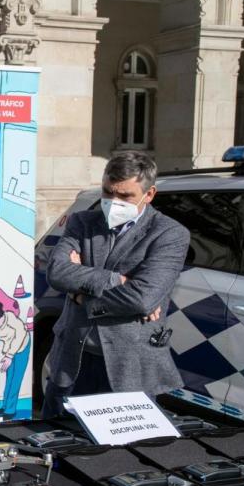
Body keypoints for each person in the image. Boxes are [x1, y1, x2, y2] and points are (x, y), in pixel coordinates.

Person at [43, 151, 189, 418]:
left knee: (119, 455)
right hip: (74, 357)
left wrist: (80, 295)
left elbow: (142, 298)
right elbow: (56, 272)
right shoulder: (82, 222)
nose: (113, 202)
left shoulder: (169, 234)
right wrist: (117, 280)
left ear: (150, 194)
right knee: (59, 440)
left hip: (130, 364)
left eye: (125, 196)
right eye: (108, 192)